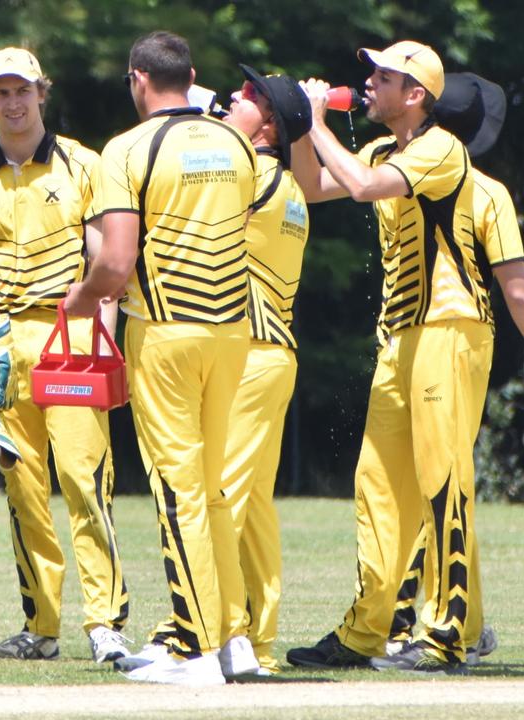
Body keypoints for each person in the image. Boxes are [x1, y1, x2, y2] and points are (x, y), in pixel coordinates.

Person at [284, 41, 524, 675]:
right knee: (376, 486)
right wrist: (296, 123)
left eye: (382, 77)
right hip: (399, 336)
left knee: (441, 480)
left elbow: (365, 188)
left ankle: (447, 633)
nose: (367, 84)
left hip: (451, 329)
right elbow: (312, 184)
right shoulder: (378, 148)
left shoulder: (440, 148)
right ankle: (368, 630)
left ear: (415, 94)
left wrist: (316, 121)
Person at [63, 31, 263, 686]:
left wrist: (84, 298)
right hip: (234, 330)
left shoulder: (126, 149)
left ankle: (195, 650)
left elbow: (116, 262)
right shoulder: (234, 141)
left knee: (178, 493)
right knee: (213, 490)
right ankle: (235, 643)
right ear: (192, 76)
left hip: (167, 330)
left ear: (137, 81)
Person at [120, 66, 314, 677]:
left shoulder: (244, 165)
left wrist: (184, 103)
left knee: (209, 500)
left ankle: (193, 632)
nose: (238, 99)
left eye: (253, 97)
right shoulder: (288, 184)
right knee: (245, 505)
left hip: (245, 349)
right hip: (268, 351)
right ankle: (245, 639)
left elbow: (186, 154)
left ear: (269, 130)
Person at [383, 71, 524, 664]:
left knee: (432, 485)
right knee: (447, 483)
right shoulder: (488, 192)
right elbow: (518, 290)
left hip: (407, 335)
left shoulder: (402, 175)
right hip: (460, 334)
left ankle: (440, 622)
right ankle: (460, 622)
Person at [0, 47, 130, 664]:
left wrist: (100, 339)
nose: (13, 103)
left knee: (86, 480)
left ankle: (105, 622)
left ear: (42, 92)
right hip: (6, 344)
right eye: (1, 93)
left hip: (71, 334)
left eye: (22, 90)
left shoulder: (81, 162)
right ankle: (42, 625)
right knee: (23, 489)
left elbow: (101, 258)